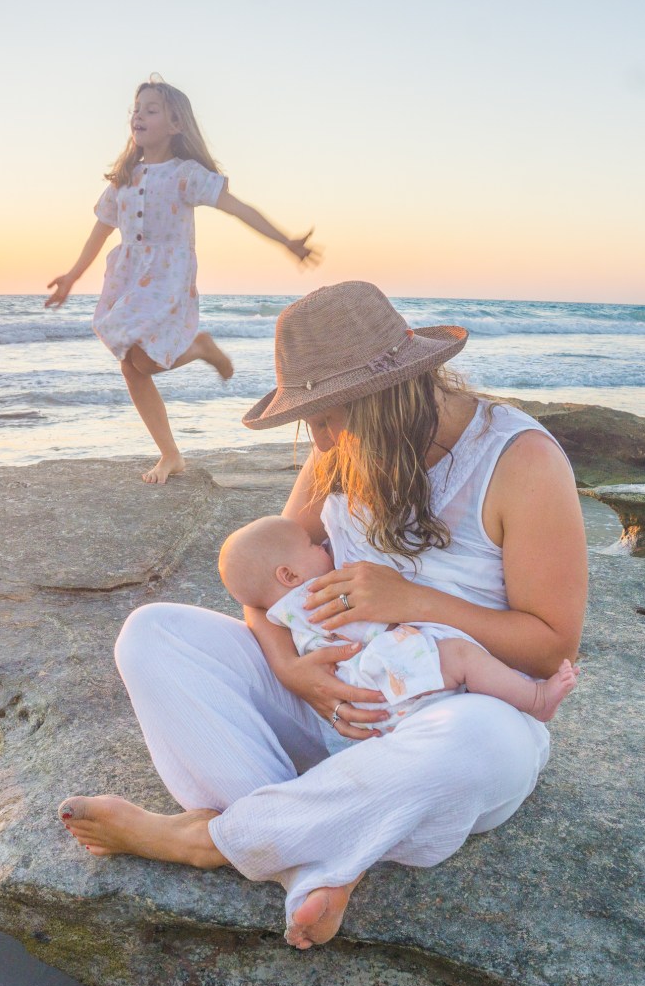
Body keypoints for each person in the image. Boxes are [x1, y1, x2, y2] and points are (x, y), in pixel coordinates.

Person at [58, 281, 587, 951]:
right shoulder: (338, 446)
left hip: (451, 712)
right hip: (326, 706)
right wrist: (292, 669)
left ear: (391, 392)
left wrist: (412, 600)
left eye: (326, 413)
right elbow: (261, 582)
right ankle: (318, 856)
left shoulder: (521, 461)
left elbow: (548, 648)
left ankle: (205, 840)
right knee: (153, 634)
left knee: (481, 746)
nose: (317, 435)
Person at [45, 75, 319, 484]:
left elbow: (237, 208)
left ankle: (200, 348)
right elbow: (100, 231)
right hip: (129, 276)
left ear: (176, 125)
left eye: (150, 110)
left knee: (145, 362)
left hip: (166, 277)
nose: (138, 116)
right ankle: (171, 454)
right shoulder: (124, 177)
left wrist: (286, 241)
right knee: (132, 365)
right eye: (135, 110)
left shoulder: (185, 175)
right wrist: (70, 277)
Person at [218, 514, 578, 748]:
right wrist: (286, 668)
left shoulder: (284, 609)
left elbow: (256, 592)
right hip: (386, 681)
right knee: (461, 656)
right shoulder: (316, 595)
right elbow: (368, 621)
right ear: (289, 576)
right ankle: (535, 700)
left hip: (366, 704)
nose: (323, 545)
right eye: (314, 546)